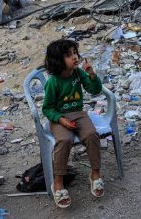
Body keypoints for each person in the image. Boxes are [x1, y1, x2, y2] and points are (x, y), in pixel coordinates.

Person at [42, 39, 104, 208]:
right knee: (65, 140)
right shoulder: (53, 82)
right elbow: (47, 109)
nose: (75, 57)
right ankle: (58, 182)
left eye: (75, 53)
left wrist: (92, 75)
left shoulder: (78, 73)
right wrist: (61, 119)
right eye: (69, 55)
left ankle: (95, 174)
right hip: (59, 117)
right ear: (58, 60)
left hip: (78, 114)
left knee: (91, 135)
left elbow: (95, 90)